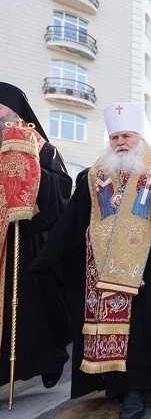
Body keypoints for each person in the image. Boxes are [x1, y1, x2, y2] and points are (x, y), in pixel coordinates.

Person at [30, 103, 151, 419]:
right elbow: (73, 221)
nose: (120, 142)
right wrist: (46, 256)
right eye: (115, 136)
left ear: (139, 138)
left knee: (138, 333)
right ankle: (117, 386)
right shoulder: (95, 174)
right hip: (101, 269)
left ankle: (136, 391)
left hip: (146, 267)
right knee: (108, 332)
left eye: (127, 136)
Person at [0, 82, 72, 391]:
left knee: (30, 306)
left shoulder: (41, 146)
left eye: (1, 110)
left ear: (15, 113)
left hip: (27, 236)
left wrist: (26, 189)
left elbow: (61, 186)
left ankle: (49, 358)